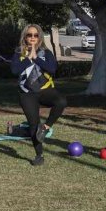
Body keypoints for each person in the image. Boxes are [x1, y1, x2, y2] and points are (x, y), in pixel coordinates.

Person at [11, 24, 67, 166]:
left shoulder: (46, 52)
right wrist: (29, 58)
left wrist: (36, 58)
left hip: (44, 90)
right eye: (29, 35)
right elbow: (14, 71)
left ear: (39, 37)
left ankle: (46, 127)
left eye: (35, 35)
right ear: (25, 37)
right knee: (33, 125)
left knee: (61, 101)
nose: (33, 38)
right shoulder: (18, 53)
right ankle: (39, 155)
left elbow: (52, 69)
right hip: (27, 93)